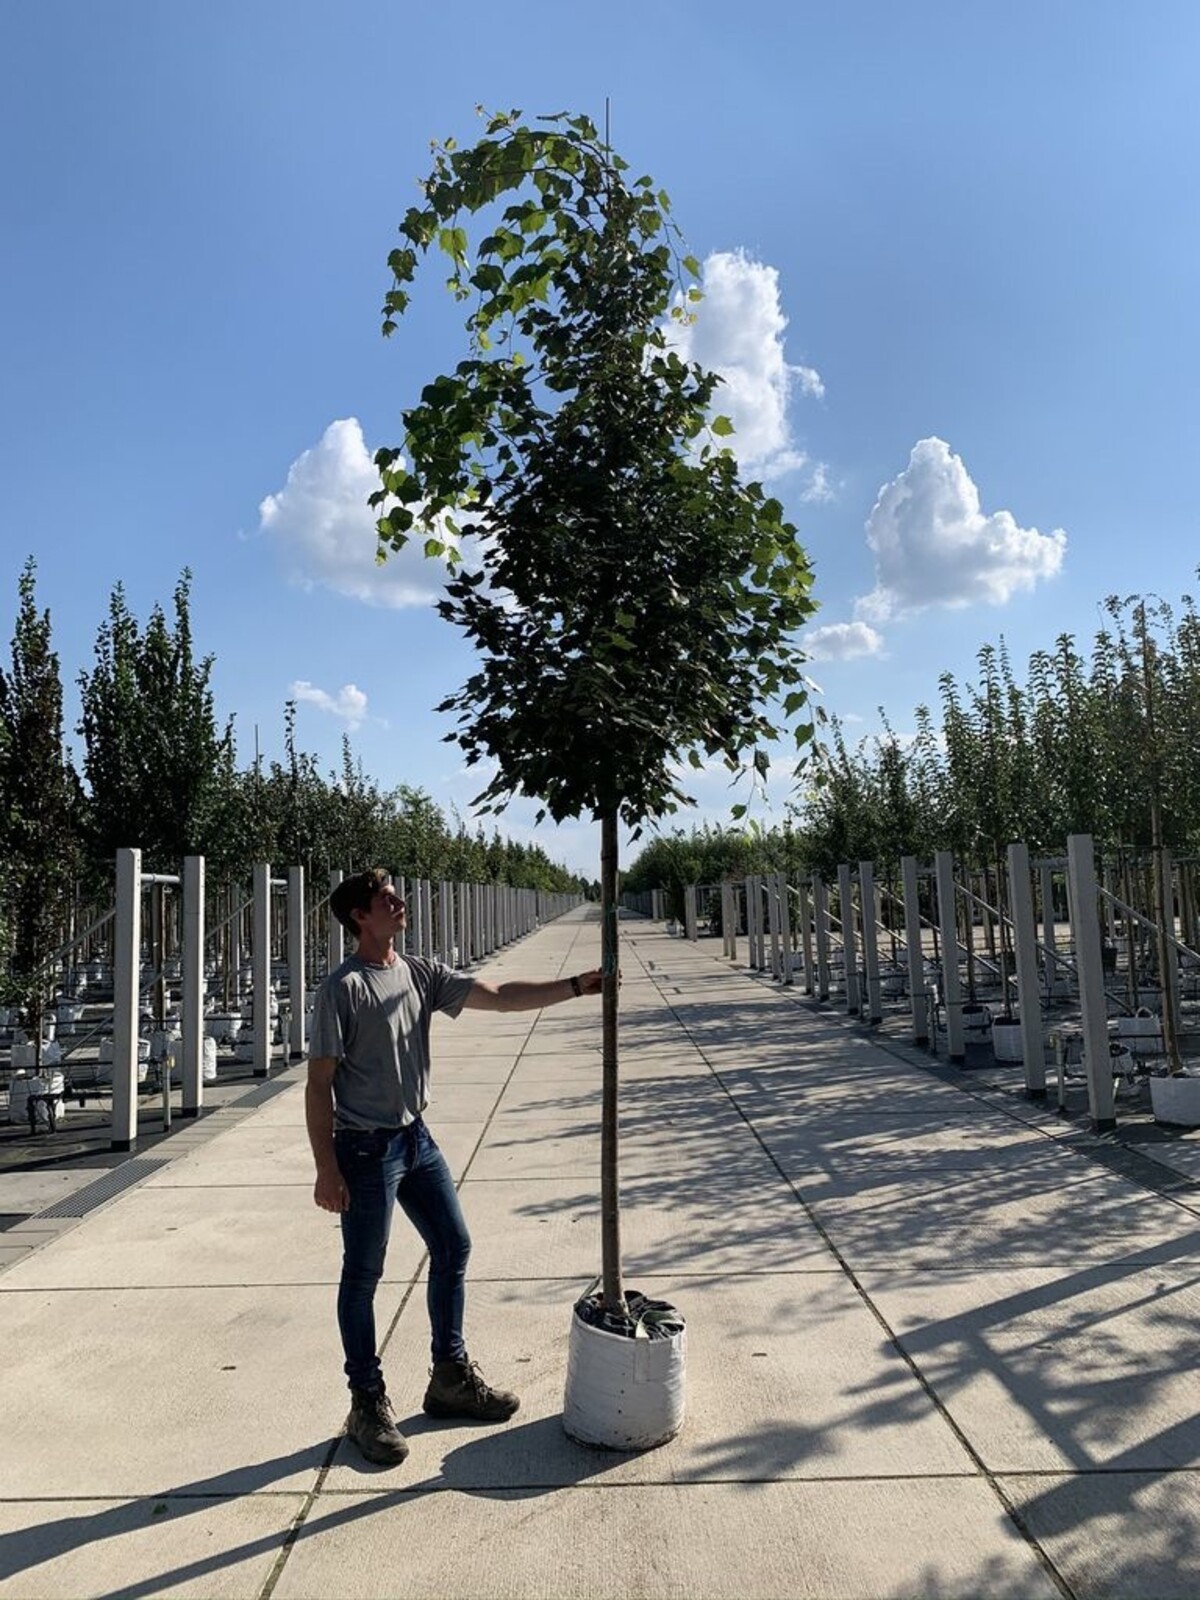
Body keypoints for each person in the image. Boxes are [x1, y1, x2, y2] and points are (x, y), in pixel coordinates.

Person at [306, 868, 602, 1466]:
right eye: (385, 897)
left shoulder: (418, 973)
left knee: (452, 1245)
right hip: (364, 1149)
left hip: (415, 1139)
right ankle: (366, 1401)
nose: (399, 901)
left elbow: (497, 994)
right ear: (360, 917)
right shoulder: (343, 988)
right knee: (363, 1274)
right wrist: (326, 1169)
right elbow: (319, 1085)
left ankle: (449, 1376)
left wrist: (574, 986)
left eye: (395, 892)